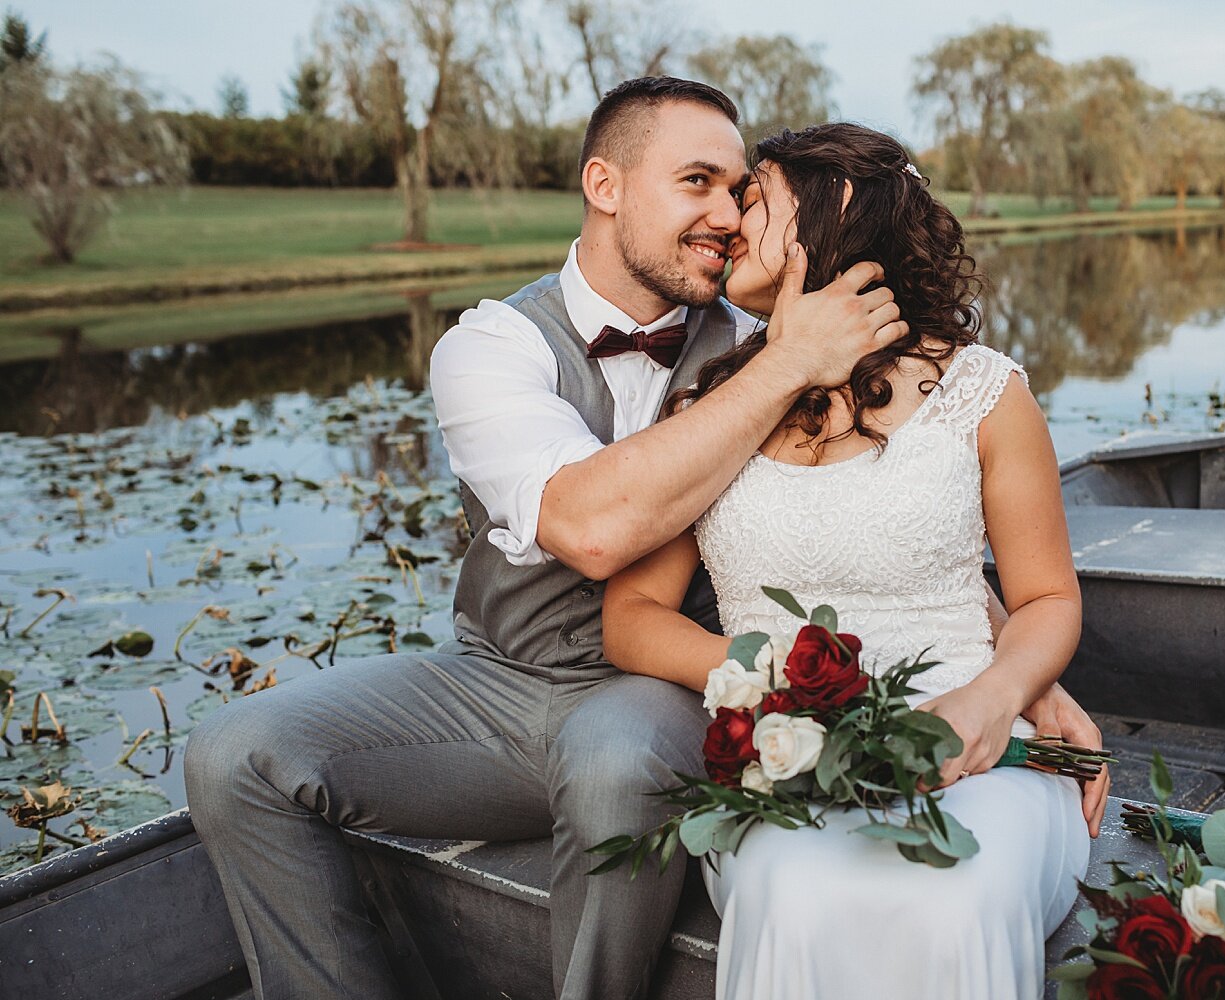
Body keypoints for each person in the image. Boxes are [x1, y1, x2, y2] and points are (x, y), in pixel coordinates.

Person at [183, 77, 1103, 1000]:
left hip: (661, 695)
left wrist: (1011, 674)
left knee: (617, 758)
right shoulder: (499, 345)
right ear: (605, 184)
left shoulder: (769, 331)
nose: (727, 216)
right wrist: (786, 365)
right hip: (508, 678)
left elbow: (890, 519)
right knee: (234, 758)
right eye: (698, 183)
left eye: (742, 192)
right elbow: (589, 530)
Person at [600, 121, 1097, 1000]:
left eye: (753, 196)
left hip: (979, 740)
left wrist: (996, 697)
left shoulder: (983, 391)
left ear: (833, 211)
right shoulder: (714, 408)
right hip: (782, 754)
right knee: (796, 891)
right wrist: (775, 683)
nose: (728, 217)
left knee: (956, 890)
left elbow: (1048, 596)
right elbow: (631, 621)